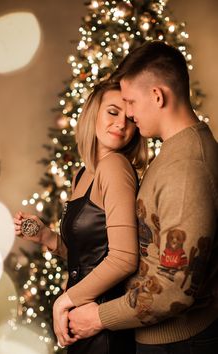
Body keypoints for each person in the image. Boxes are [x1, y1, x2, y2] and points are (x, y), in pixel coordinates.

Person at [67, 40, 218, 354]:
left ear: (157, 95)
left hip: (178, 342)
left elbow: (176, 286)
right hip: (160, 337)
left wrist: (98, 317)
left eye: (131, 102)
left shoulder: (187, 167)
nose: (128, 116)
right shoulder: (174, 152)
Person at [14, 80, 148, 354]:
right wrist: (47, 237)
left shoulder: (115, 166)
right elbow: (88, 258)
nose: (122, 124)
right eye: (112, 112)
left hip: (103, 321)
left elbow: (124, 259)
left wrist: (63, 301)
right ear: (93, 113)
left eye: (129, 118)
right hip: (83, 314)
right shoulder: (83, 173)